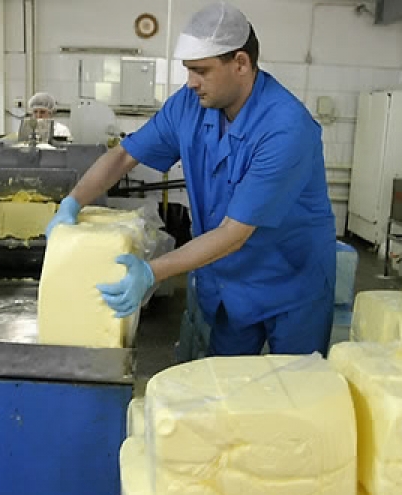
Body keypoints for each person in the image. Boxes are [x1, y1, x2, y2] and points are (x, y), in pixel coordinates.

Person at [45, 2, 337, 357]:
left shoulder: (286, 129)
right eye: (188, 70)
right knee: (223, 388)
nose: (191, 82)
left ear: (241, 64)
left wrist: (151, 273)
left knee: (297, 393)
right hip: (227, 279)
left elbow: (234, 232)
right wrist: (73, 202)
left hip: (290, 282)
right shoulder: (190, 105)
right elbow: (124, 155)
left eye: (201, 70)